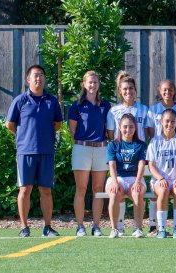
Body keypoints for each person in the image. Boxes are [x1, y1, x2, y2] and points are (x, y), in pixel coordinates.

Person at [6, 65, 63, 237]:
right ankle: (24, 227)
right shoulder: (20, 100)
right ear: (28, 79)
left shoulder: (52, 101)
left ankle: (47, 227)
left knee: (46, 190)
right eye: (35, 75)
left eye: (41, 75)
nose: (39, 78)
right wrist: (25, 137)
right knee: (25, 189)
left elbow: (58, 124)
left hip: (46, 152)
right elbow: (10, 124)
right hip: (25, 152)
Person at [106, 71, 154, 235]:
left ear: (135, 90)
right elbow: (111, 135)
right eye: (125, 89)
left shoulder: (144, 109)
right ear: (120, 91)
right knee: (116, 191)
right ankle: (117, 227)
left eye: (131, 88)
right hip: (121, 162)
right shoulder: (114, 111)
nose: (128, 92)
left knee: (137, 191)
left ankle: (137, 227)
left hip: (137, 157)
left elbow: (147, 132)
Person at [68, 71, 112, 237]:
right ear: (84, 84)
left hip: (101, 149)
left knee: (98, 189)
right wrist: (84, 143)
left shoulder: (105, 105)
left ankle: (96, 226)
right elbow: (73, 130)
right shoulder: (76, 105)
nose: (93, 85)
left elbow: (109, 128)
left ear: (98, 84)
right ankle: (80, 226)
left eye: (95, 82)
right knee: (81, 188)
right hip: (82, 149)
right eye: (90, 82)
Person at [147, 109, 176, 239]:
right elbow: (151, 166)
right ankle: (162, 229)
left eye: (173, 121)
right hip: (159, 180)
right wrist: (160, 178)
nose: (169, 124)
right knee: (163, 190)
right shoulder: (154, 142)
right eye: (167, 121)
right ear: (161, 122)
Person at [105, 114, 148, 238]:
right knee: (114, 193)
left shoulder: (141, 144)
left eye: (131, 127)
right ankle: (114, 229)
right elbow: (112, 165)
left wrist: (138, 181)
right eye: (125, 126)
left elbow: (141, 165)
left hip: (135, 178)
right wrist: (114, 182)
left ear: (135, 128)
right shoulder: (113, 144)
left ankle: (138, 228)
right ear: (119, 127)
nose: (128, 130)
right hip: (117, 178)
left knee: (137, 193)